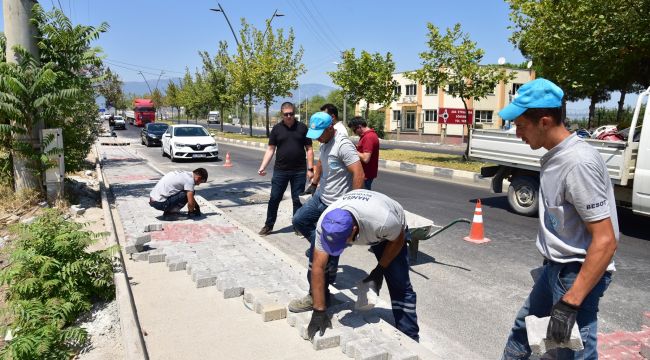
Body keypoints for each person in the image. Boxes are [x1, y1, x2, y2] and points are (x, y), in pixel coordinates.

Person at [498, 78, 618, 360]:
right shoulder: (557, 156)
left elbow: (605, 240)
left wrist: (571, 302)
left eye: (520, 125)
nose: (517, 134)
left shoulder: (578, 163)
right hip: (556, 268)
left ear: (544, 121)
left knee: (571, 352)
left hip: (576, 272)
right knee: (522, 333)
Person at [305, 190, 420, 342]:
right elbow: (318, 267)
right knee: (317, 263)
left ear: (353, 230)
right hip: (361, 215)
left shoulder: (383, 221)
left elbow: (397, 239)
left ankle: (410, 336)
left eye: (343, 242)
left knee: (399, 283)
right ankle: (321, 299)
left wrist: (380, 270)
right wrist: (318, 310)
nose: (342, 246)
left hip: (390, 232)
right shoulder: (325, 224)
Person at [289, 111, 364, 312]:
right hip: (321, 198)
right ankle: (328, 244)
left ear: (331, 127)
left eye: (321, 133)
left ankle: (314, 297)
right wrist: (314, 183)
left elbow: (359, 173)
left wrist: (353, 208)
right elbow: (321, 162)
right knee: (299, 220)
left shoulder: (343, 145)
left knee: (317, 258)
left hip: (337, 206)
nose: (318, 138)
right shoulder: (324, 142)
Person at [257, 102, 314, 236]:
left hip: (299, 171)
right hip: (280, 171)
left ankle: (298, 226)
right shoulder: (276, 129)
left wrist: (310, 169)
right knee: (274, 198)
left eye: (291, 114)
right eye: (286, 114)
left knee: (297, 199)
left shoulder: (303, 128)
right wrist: (262, 166)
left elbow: (310, 150)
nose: (289, 116)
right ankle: (268, 225)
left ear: (294, 113)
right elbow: (271, 149)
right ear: (282, 114)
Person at [302, 104, 348, 195]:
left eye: (324, 116)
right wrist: (315, 182)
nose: (318, 138)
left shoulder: (340, 133)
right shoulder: (327, 137)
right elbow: (322, 159)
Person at [348, 116, 380, 190]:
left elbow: (366, 158)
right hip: (365, 174)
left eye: (354, 130)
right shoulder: (366, 136)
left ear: (359, 127)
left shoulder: (368, 137)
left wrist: (352, 150)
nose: (354, 133)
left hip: (365, 175)